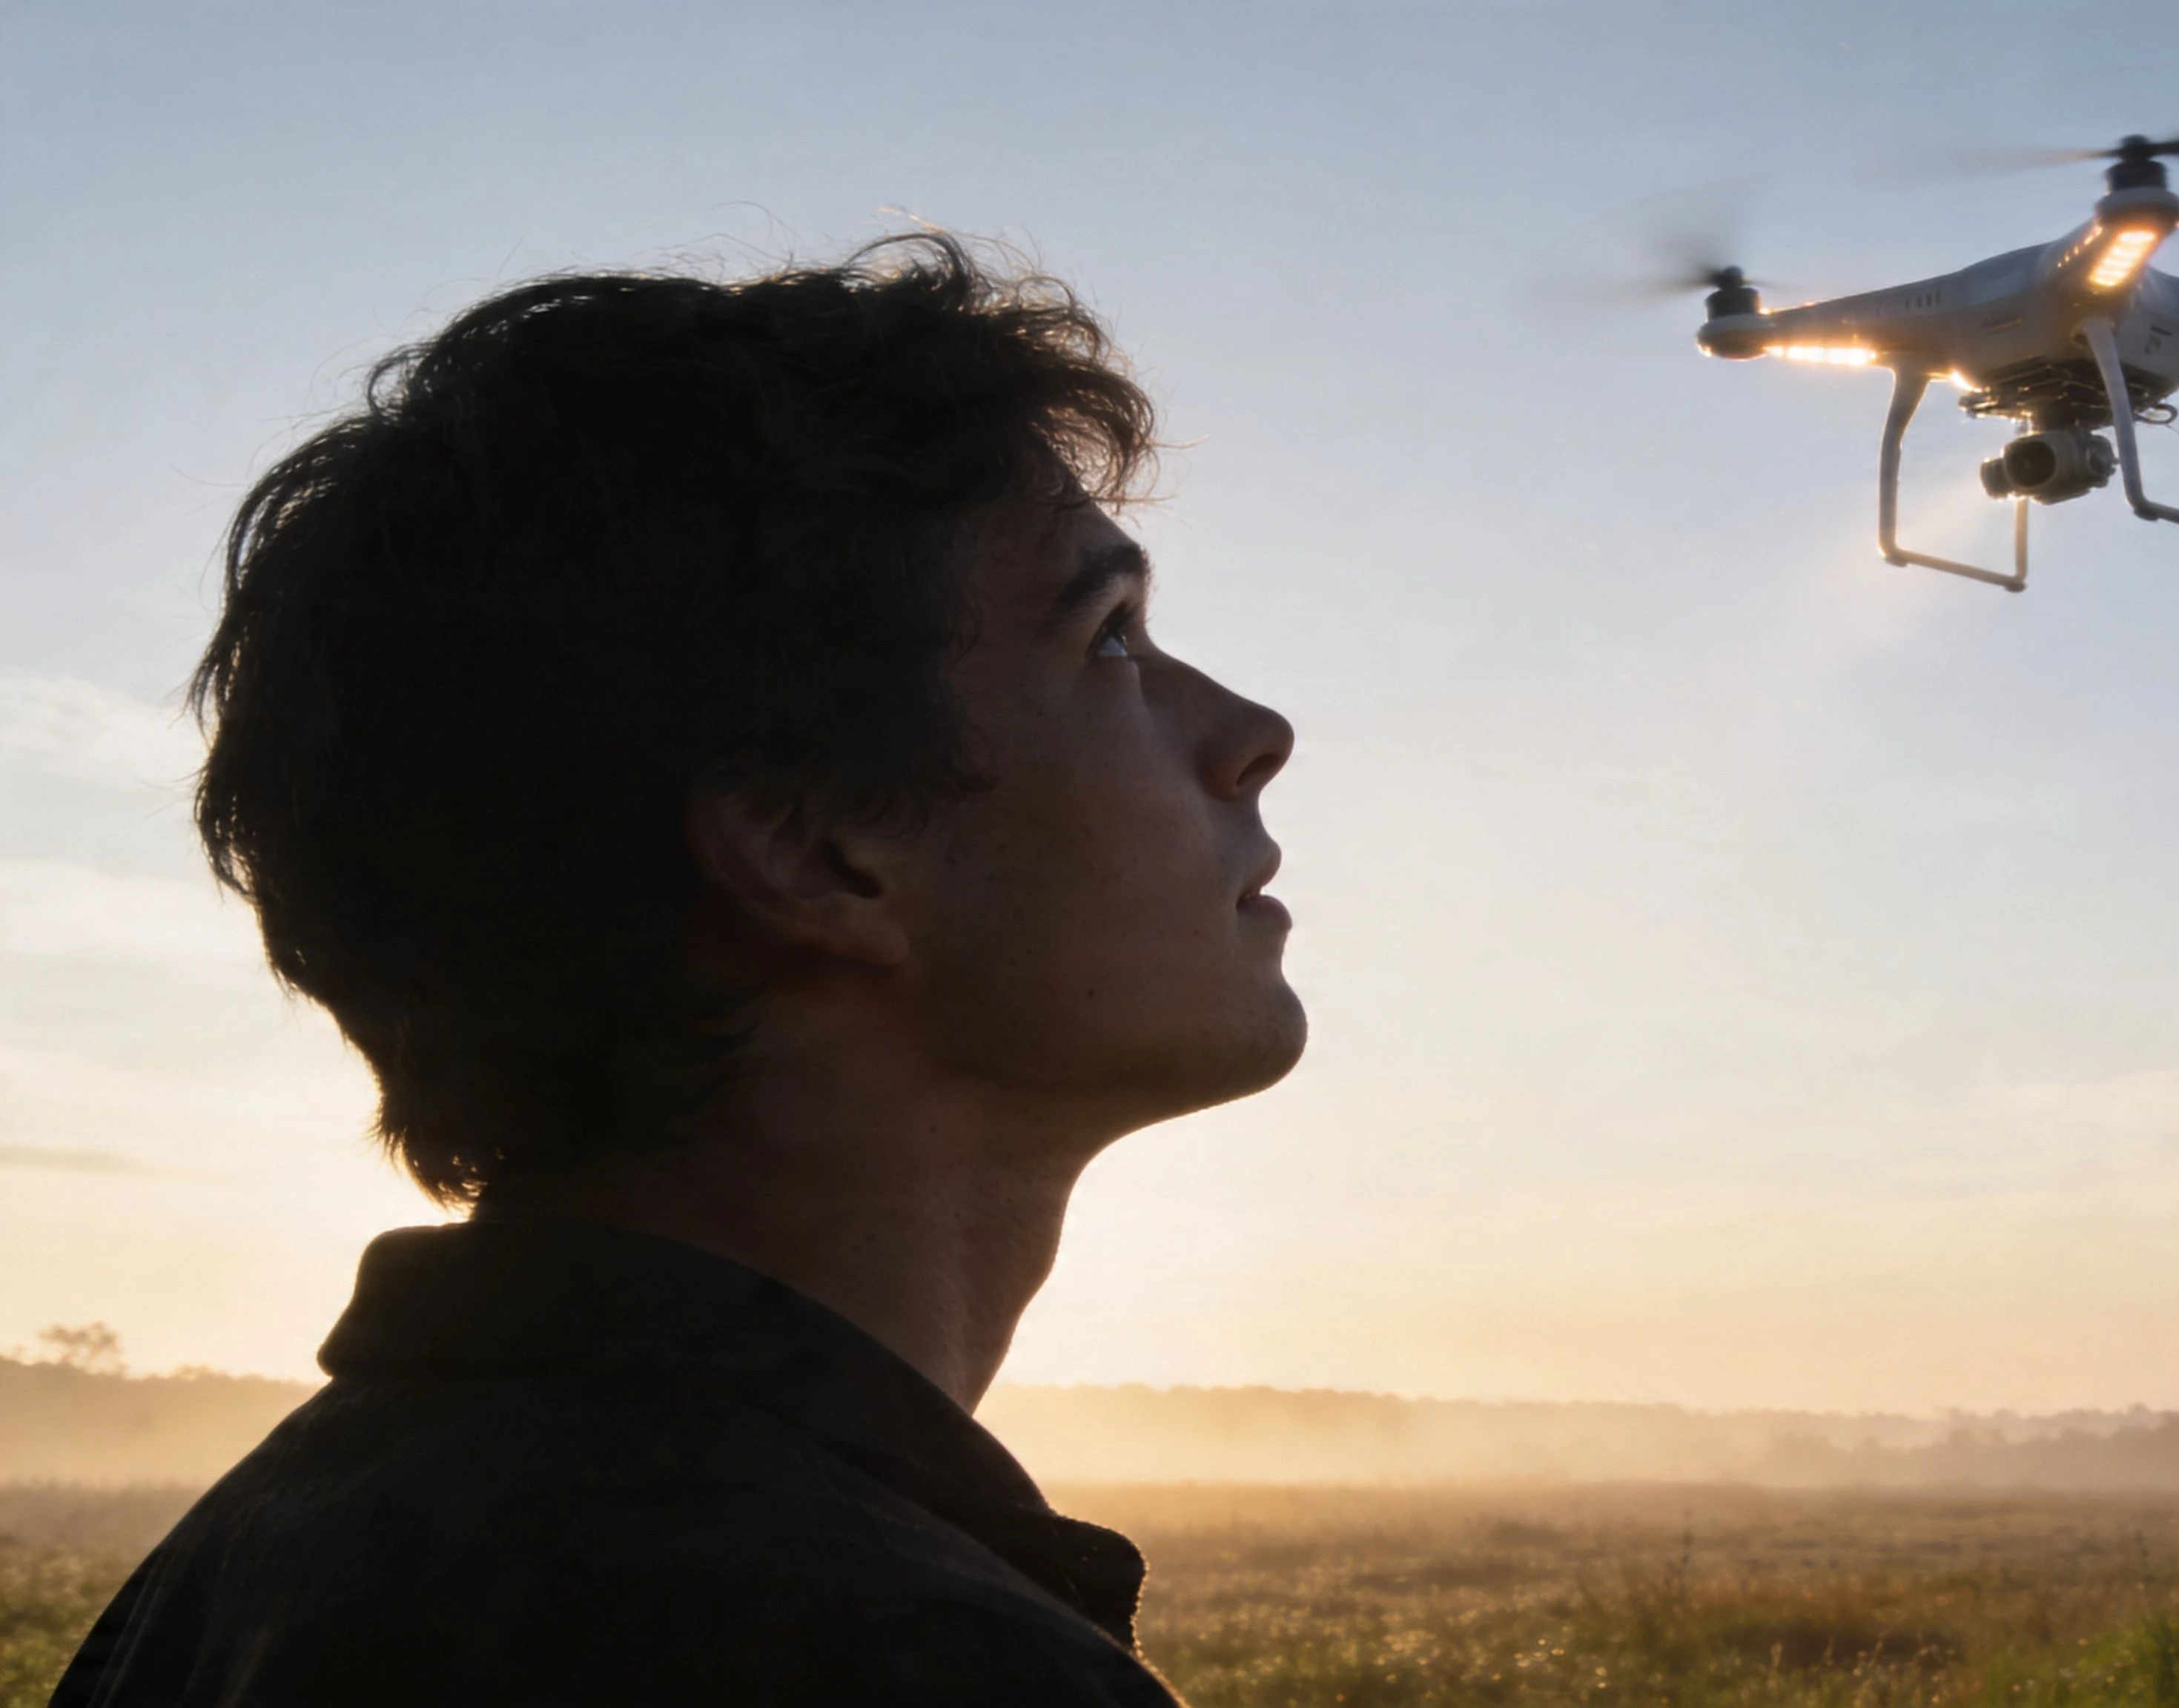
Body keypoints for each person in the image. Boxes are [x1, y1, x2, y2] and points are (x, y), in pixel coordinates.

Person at [53, 235, 1303, 1706]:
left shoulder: (259, 1563)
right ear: (813, 854)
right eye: (1110, 638)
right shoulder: (882, 1657)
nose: (1250, 730)